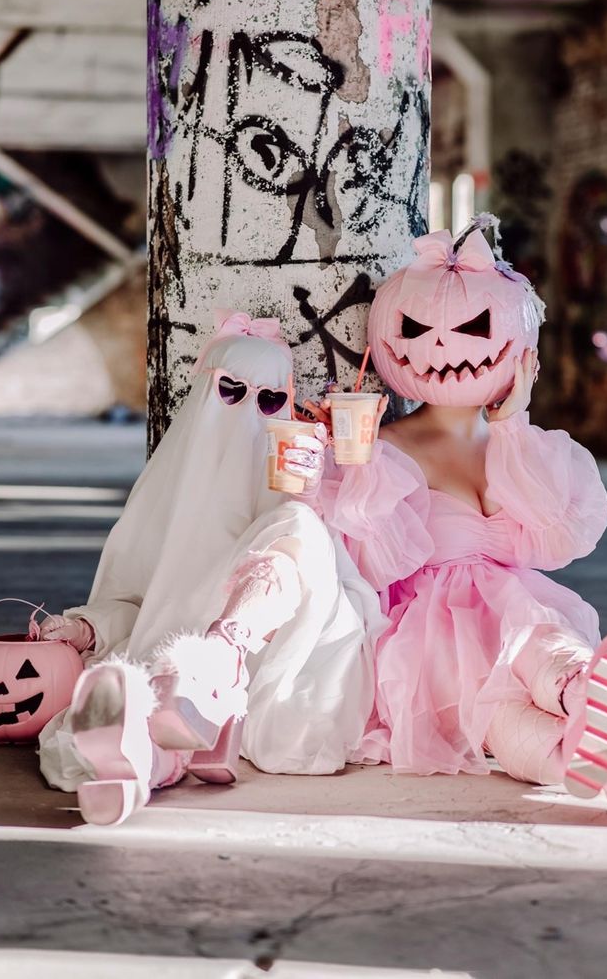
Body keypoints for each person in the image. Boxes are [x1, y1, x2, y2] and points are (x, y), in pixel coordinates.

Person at [309, 216, 607, 828]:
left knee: (541, 641)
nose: (445, 345)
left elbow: (561, 538)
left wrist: (513, 422)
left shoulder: (525, 448)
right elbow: (368, 557)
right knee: (495, 713)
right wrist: (351, 456)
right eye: (419, 330)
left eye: (474, 327)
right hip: (427, 630)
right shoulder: (382, 449)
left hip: (516, 606)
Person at [37, 312, 385, 826]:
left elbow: (338, 592)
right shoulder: (161, 502)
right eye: (230, 391)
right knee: (146, 704)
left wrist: (313, 496)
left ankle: (217, 662)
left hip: (274, 667)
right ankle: (133, 769)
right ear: (204, 392)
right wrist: (89, 627)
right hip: (171, 662)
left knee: (300, 526)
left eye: (269, 401)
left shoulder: (293, 491)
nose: (249, 412)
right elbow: (133, 600)